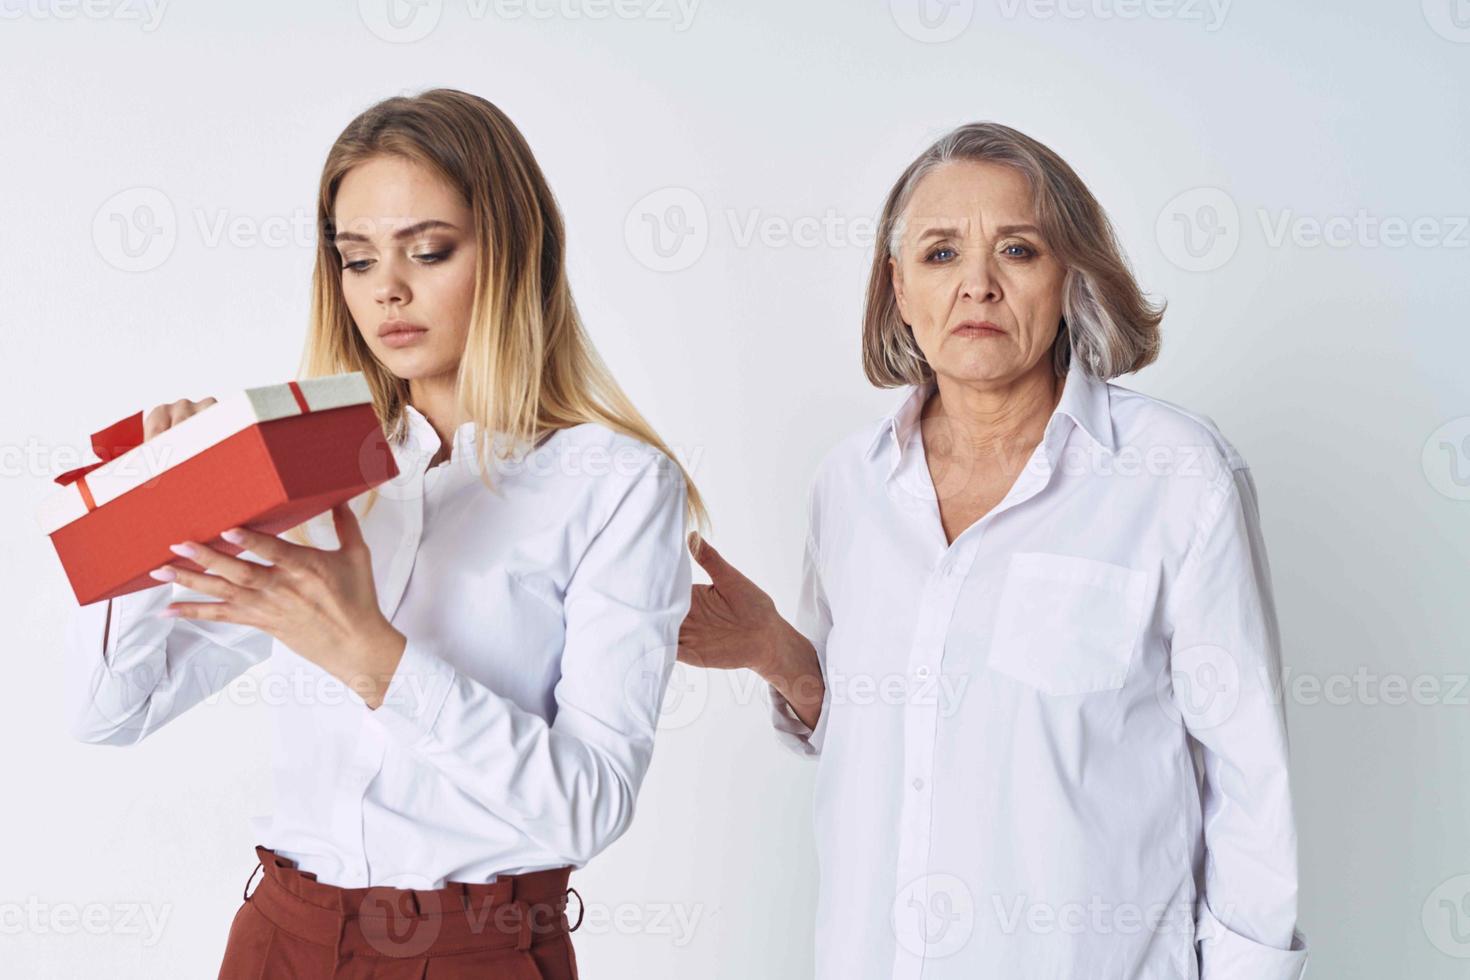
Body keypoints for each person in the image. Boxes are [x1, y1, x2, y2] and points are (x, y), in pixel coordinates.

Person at [66, 88, 703, 979]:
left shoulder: (618, 484)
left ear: (516, 251)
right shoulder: (311, 464)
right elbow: (110, 716)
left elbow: (589, 808)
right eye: (356, 260)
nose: (388, 290)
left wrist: (375, 658)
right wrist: (156, 511)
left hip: (476, 951)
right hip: (277, 940)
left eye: (429, 250)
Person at [678, 122, 1308, 979]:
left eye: (1016, 249)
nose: (976, 284)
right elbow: (888, 737)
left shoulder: (1177, 477)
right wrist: (775, 652)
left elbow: (1249, 776)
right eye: (939, 255)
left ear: (1070, 277)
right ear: (898, 289)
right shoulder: (851, 487)